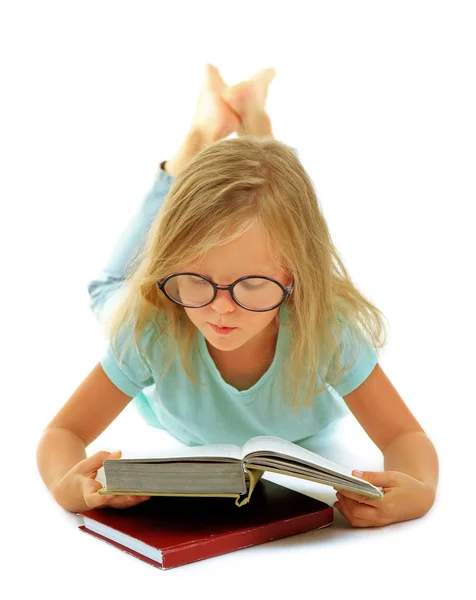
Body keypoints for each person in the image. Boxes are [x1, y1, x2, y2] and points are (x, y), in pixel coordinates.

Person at [36, 64, 438, 527]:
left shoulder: (326, 328)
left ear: (292, 281)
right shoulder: (150, 325)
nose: (221, 307)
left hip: (291, 268)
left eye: (253, 285)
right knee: (108, 291)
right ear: (168, 269)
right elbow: (62, 433)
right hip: (152, 307)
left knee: (279, 205)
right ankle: (199, 137)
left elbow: (406, 437)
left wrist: (419, 492)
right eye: (196, 281)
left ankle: (256, 129)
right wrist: (66, 485)